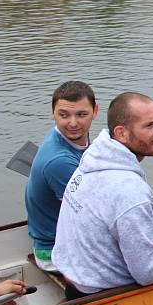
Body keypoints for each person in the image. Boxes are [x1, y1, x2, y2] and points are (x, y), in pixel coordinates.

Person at [53, 92, 153, 300]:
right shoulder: (129, 190)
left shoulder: (95, 158)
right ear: (122, 133)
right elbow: (149, 273)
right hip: (102, 295)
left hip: (78, 279)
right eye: (149, 125)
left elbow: (118, 219)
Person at [25, 81, 98, 272]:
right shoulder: (59, 161)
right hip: (54, 251)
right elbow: (96, 218)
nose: (73, 124)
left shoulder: (67, 137)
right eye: (63, 115)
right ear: (53, 113)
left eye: (81, 114)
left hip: (64, 238)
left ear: (95, 111)